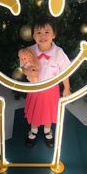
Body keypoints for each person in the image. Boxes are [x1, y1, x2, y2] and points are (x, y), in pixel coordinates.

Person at [19, 15, 71, 148]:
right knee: (35, 111)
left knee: (48, 112)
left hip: (51, 90)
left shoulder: (59, 53)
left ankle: (48, 131)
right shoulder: (29, 51)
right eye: (38, 32)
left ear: (54, 34)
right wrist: (28, 72)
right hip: (34, 89)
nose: (43, 36)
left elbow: (65, 72)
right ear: (33, 36)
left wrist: (66, 88)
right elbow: (23, 68)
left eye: (47, 32)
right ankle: (34, 131)